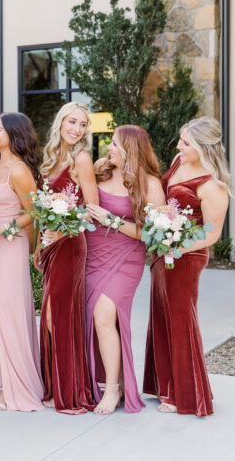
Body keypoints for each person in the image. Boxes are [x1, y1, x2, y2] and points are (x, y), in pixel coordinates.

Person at [143, 117, 229, 417]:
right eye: (181, 139)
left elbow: (211, 232)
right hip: (163, 250)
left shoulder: (212, 185)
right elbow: (172, 202)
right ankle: (165, 385)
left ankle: (186, 396)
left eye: (186, 142)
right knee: (161, 316)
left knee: (180, 319)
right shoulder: (179, 161)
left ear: (204, 147)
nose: (178, 146)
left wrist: (177, 248)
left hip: (187, 256)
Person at [84, 125, 164, 414]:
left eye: (115, 144)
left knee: (104, 314)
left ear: (131, 148)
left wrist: (112, 221)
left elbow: (153, 233)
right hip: (93, 255)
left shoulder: (150, 184)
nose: (110, 148)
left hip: (126, 258)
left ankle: (114, 390)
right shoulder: (101, 170)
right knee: (96, 319)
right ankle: (106, 380)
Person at [0, 112, 45, 411]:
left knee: (5, 312)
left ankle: (13, 386)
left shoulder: (19, 171)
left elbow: (36, 212)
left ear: (14, 134)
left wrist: (2, 230)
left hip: (11, 244)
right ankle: (0, 379)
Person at [37, 101, 97, 414]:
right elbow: (41, 207)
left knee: (58, 315)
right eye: (71, 122)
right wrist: (42, 242)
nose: (76, 129)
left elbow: (92, 209)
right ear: (60, 122)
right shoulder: (50, 159)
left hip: (71, 244)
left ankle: (71, 391)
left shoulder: (82, 159)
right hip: (50, 245)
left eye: (83, 124)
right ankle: (54, 386)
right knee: (48, 314)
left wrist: (62, 232)